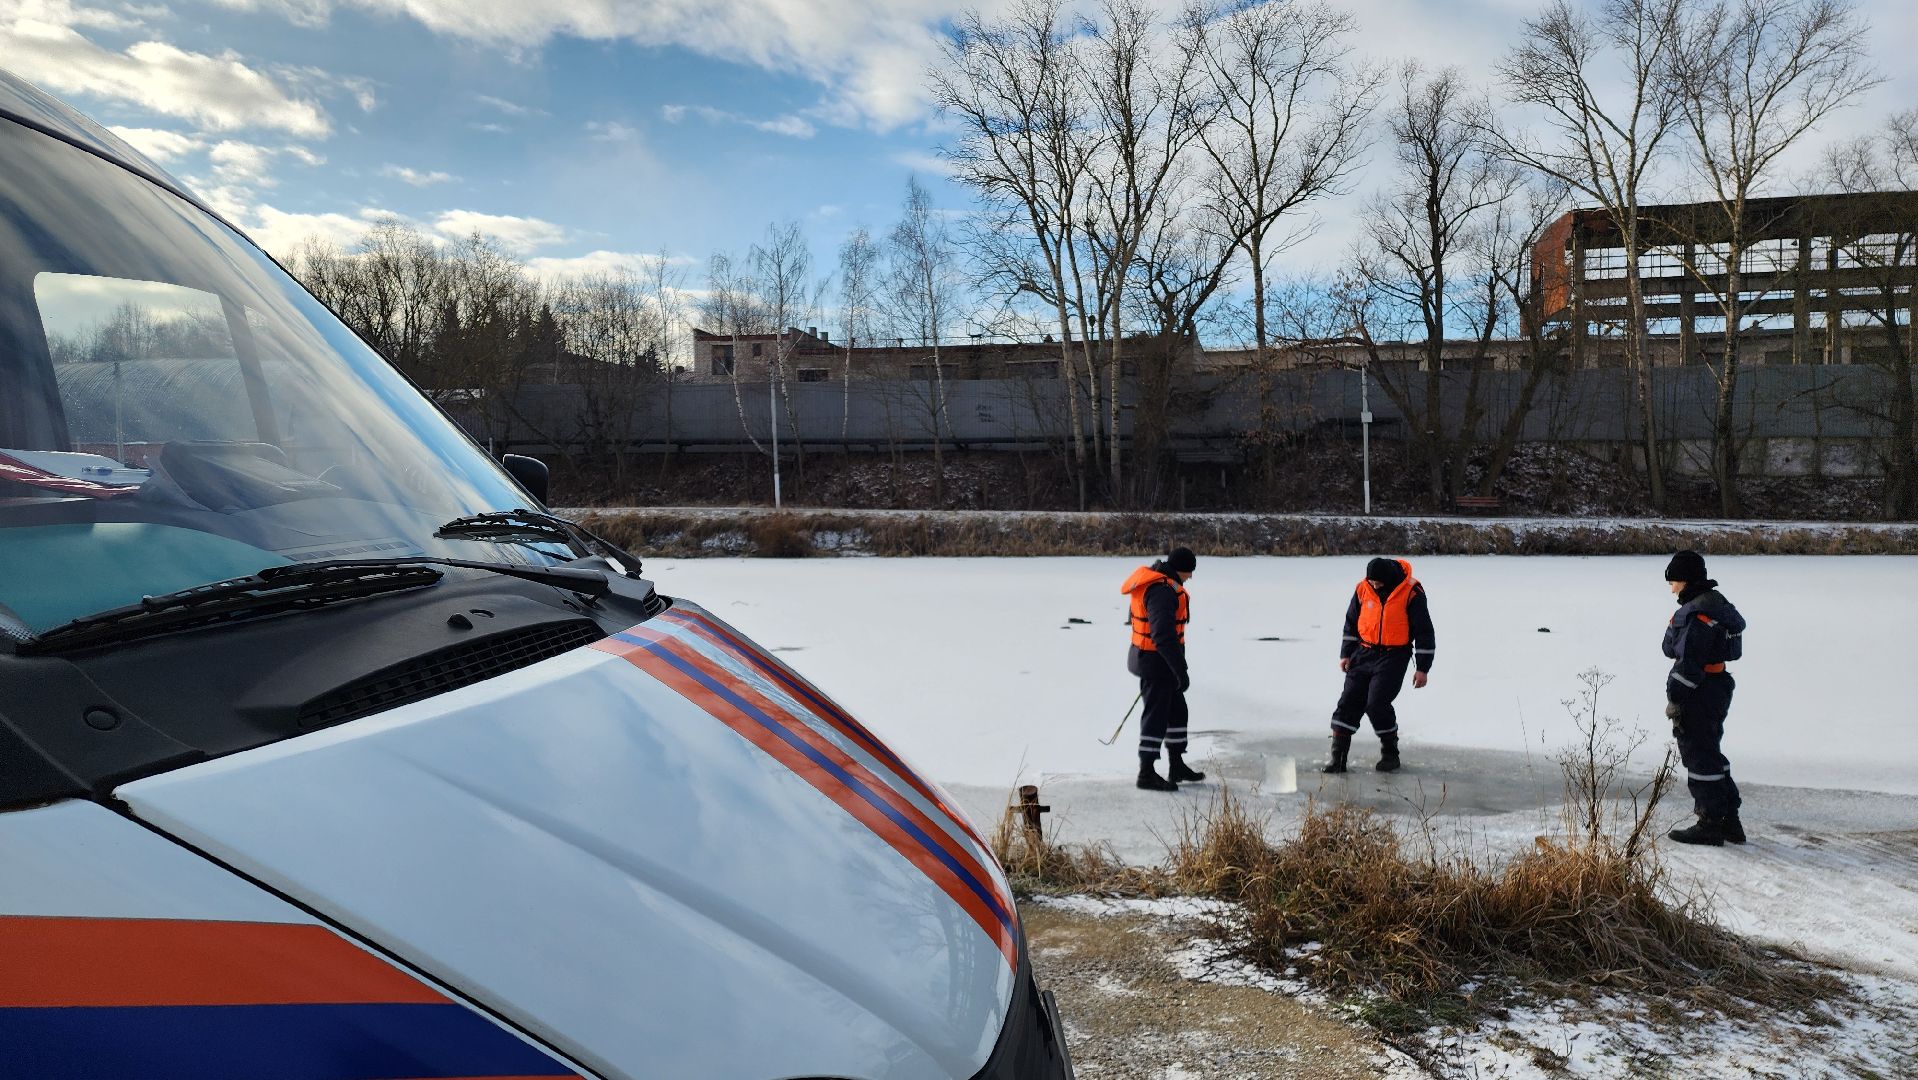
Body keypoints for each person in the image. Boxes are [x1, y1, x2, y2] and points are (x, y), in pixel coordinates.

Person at [1662, 550, 1747, 846]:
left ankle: (1710, 822)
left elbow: (1689, 663)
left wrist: (1675, 698)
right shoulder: (1715, 605)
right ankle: (1730, 821)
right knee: (1711, 751)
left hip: (1700, 691)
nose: (1671, 588)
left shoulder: (1698, 615)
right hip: (1717, 685)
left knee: (1699, 756)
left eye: (1673, 581)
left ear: (1685, 580)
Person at [1325, 557, 1435, 774]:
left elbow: (1424, 631)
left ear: (1389, 579)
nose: (1374, 586)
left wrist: (1422, 668)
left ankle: (1390, 754)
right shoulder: (1362, 588)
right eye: (1371, 582)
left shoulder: (1412, 591)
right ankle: (1337, 760)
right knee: (1348, 702)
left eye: (1378, 583)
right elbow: (1351, 622)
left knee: (1376, 703)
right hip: (1363, 652)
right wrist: (1346, 654)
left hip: (1394, 656)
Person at [1121, 547, 1204, 792]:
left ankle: (1176, 764)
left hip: (1158, 662)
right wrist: (1181, 670)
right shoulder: (1162, 591)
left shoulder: (1160, 583)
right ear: (1182, 569)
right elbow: (1162, 635)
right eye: (1189, 572)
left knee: (1177, 710)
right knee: (1156, 716)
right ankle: (1146, 773)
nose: (1190, 578)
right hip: (1156, 663)